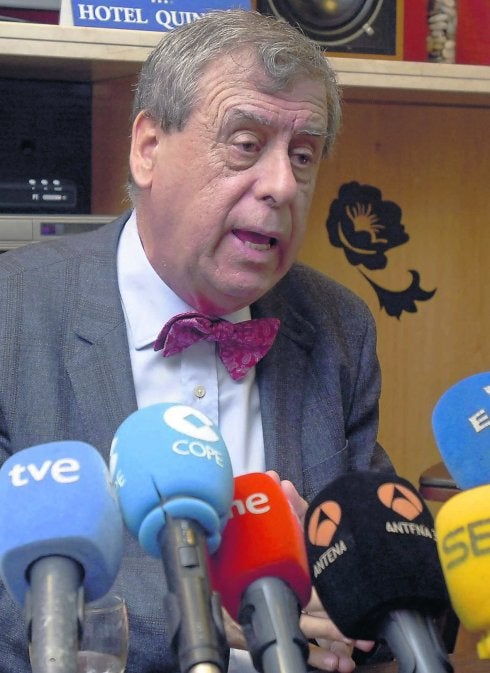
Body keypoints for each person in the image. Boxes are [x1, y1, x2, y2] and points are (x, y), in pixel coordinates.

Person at [0, 9, 393, 673]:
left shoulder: (336, 326)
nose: (281, 185)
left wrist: (356, 595)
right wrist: (216, 609)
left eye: (302, 156)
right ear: (149, 147)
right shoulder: (14, 311)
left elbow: (390, 572)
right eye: (245, 144)